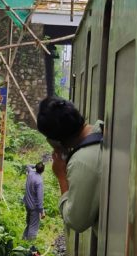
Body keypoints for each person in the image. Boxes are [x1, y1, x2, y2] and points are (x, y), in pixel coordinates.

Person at [37, 96, 102, 233]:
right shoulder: (102, 130)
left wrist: (61, 176)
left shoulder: (81, 161)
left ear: (55, 141)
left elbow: (76, 222)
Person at [23, 162, 46, 241]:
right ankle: (30, 244)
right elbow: (40, 198)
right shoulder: (39, 181)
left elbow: (28, 165)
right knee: (33, 226)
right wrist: (41, 211)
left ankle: (24, 240)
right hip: (34, 207)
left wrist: (35, 165)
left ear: (36, 168)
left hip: (27, 204)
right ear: (43, 171)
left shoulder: (30, 173)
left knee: (29, 223)